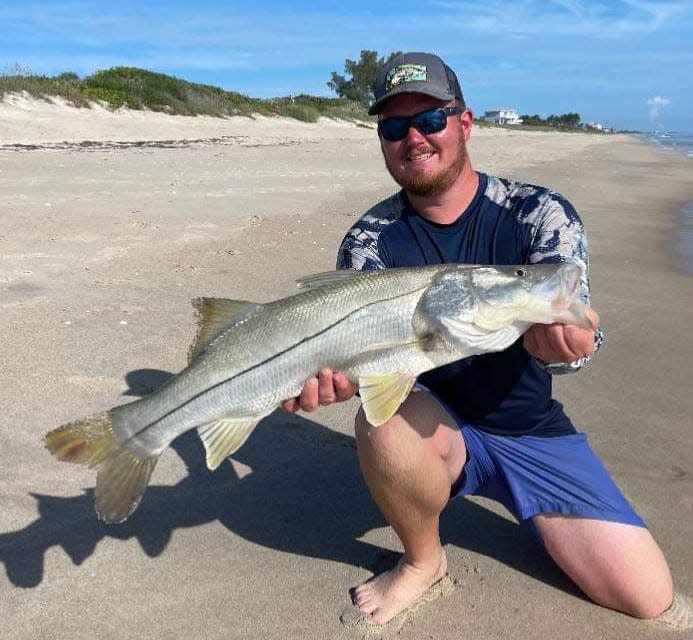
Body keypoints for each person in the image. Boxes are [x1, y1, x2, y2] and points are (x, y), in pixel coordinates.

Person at [281, 52, 674, 626]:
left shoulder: (539, 212)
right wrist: (334, 381)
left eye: (431, 120)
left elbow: (569, 308)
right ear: (383, 140)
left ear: (465, 123)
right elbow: (361, 361)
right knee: (379, 419)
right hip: (431, 429)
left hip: (530, 429)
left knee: (645, 596)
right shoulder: (371, 240)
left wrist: (570, 350)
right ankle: (422, 561)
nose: (413, 138)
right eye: (394, 127)